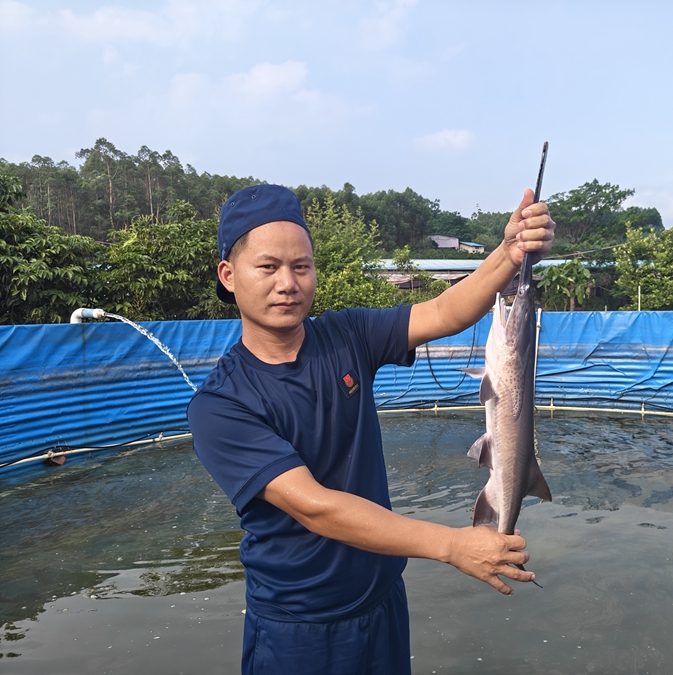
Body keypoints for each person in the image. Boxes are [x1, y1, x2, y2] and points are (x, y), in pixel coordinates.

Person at [187, 183, 555, 675]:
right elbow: (316, 508)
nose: (288, 283)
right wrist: (450, 545)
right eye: (268, 267)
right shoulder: (221, 404)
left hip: (382, 604)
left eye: (301, 266)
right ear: (229, 275)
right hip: (298, 629)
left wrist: (510, 254)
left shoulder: (347, 336)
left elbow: (444, 311)